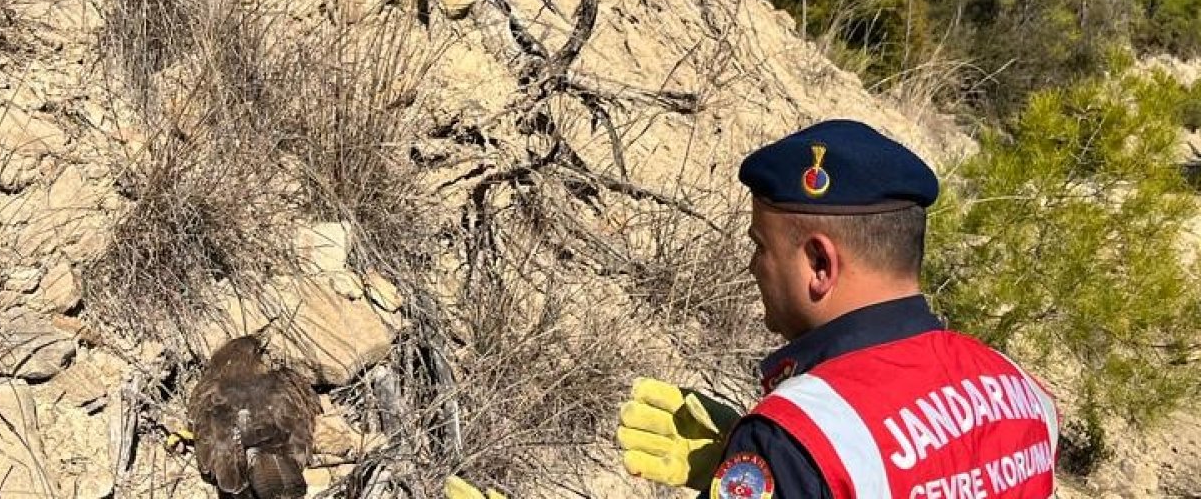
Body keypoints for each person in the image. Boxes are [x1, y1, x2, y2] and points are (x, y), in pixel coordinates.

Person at [447, 119, 1061, 498]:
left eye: (760, 247)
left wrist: (779, 462)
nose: (752, 268)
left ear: (820, 265)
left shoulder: (800, 434)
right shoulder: (1019, 390)